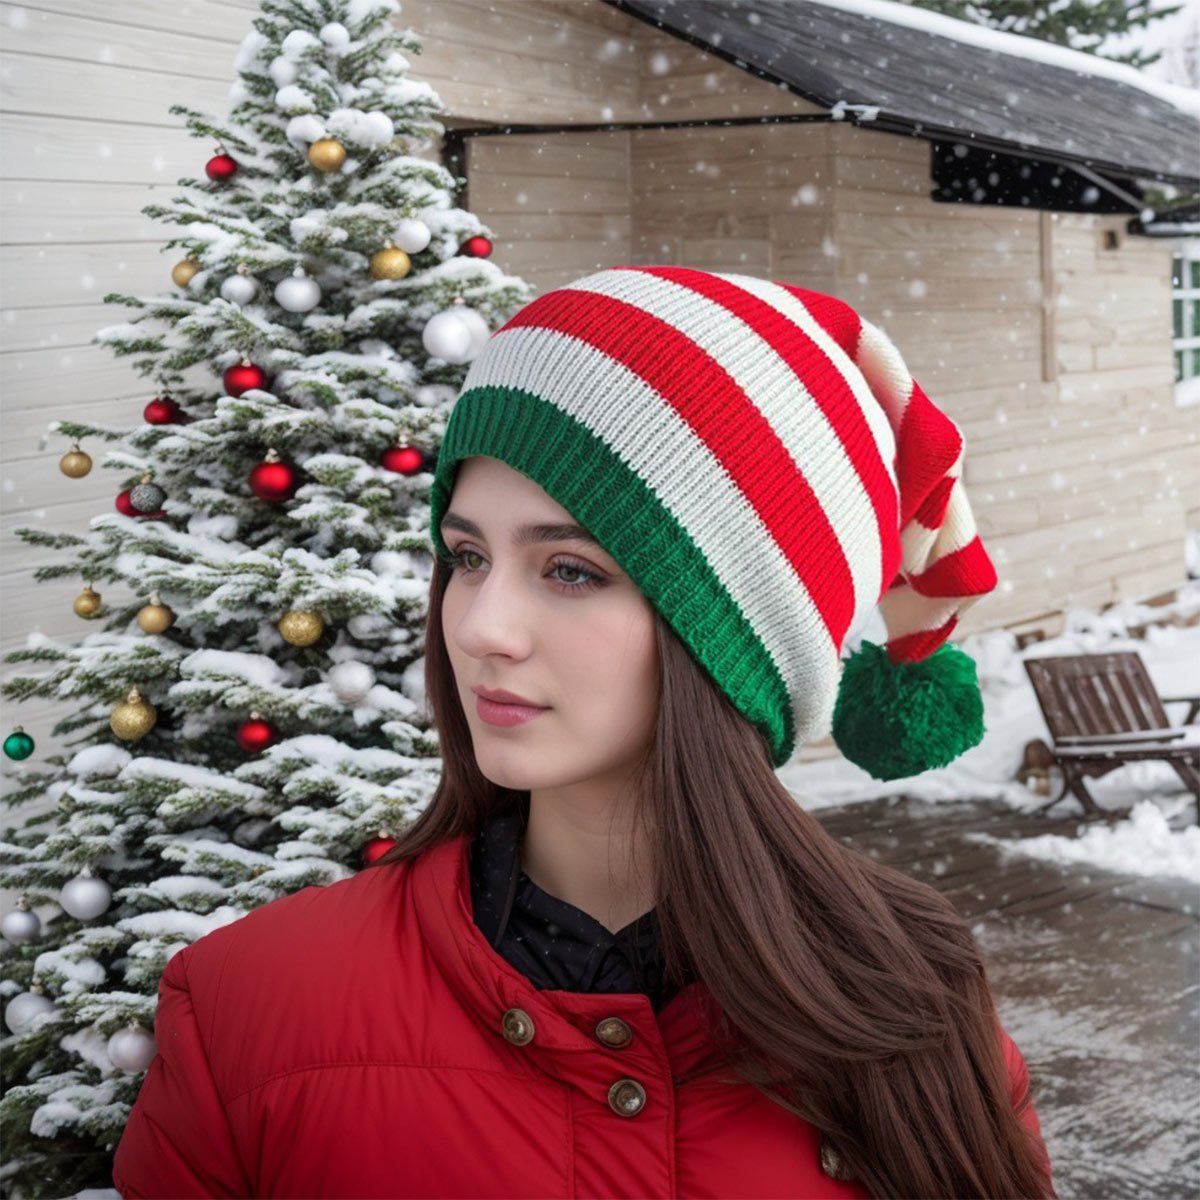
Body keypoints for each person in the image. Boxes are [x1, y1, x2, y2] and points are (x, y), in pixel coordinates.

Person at [112, 265, 1055, 1199]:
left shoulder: (912, 1003)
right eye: (468, 556)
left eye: (570, 569)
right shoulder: (253, 1008)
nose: (479, 627)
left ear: (747, 640)